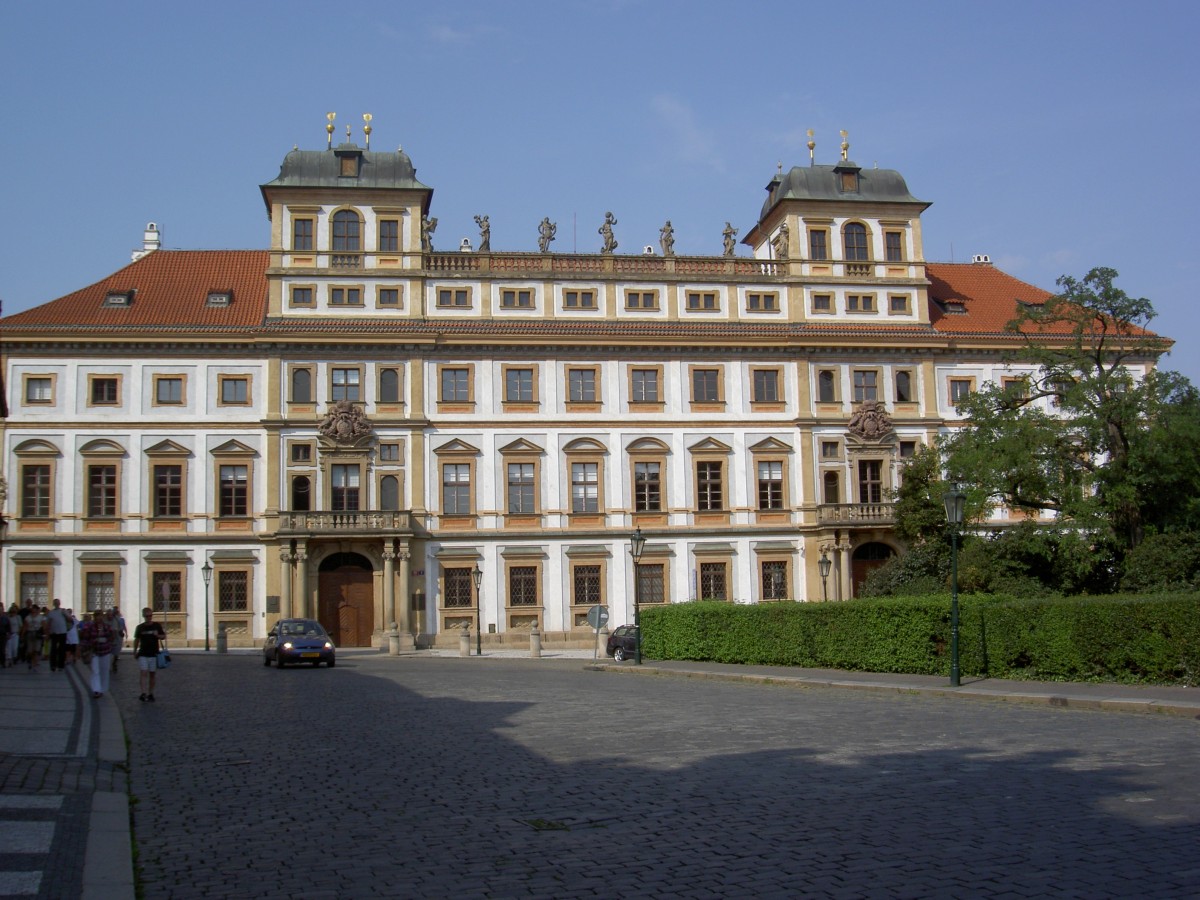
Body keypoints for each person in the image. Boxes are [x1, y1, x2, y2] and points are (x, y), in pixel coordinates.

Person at [133, 607, 168, 702]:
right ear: (143, 616)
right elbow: (137, 640)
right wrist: (135, 651)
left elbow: (163, 636)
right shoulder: (140, 627)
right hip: (143, 653)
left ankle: (151, 693)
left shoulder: (156, 625)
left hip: (154, 653)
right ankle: (143, 693)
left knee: (152, 674)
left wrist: (157, 635)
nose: (149, 617)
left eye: (150, 616)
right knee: (143, 672)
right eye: (147, 616)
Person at [79, 609, 116, 698]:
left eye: (100, 615)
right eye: (96, 616)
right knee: (95, 671)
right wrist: (91, 643)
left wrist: (108, 641)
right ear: (94, 617)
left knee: (104, 671)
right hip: (94, 651)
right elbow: (85, 638)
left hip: (105, 651)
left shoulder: (106, 626)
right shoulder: (89, 627)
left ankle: (102, 689)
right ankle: (96, 689)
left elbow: (112, 636)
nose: (98, 617)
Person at [47, 598, 69, 672]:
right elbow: (48, 624)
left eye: (57, 603)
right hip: (54, 633)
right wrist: (47, 633)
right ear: (53, 604)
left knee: (62, 650)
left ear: (59, 604)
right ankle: (53, 665)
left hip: (62, 632)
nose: (56, 604)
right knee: (53, 649)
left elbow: (70, 620)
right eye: (55, 603)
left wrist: (65, 615)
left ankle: (61, 665)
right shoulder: (51, 613)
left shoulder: (63, 611)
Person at [24, 605, 47, 672]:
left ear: (37, 610)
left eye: (34, 609)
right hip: (30, 633)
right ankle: (30, 661)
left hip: (37, 634)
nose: (33, 610)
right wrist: (22, 635)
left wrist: (46, 634)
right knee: (30, 650)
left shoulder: (41, 617)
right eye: (32, 609)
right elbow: (25, 626)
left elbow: (44, 625)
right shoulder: (28, 617)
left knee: (36, 650)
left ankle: (34, 664)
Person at [109, 608, 128, 673]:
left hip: (118, 637)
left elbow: (123, 627)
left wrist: (125, 633)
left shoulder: (120, 619)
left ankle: (114, 663)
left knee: (116, 651)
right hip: (114, 637)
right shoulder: (111, 619)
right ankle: (113, 663)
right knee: (114, 651)